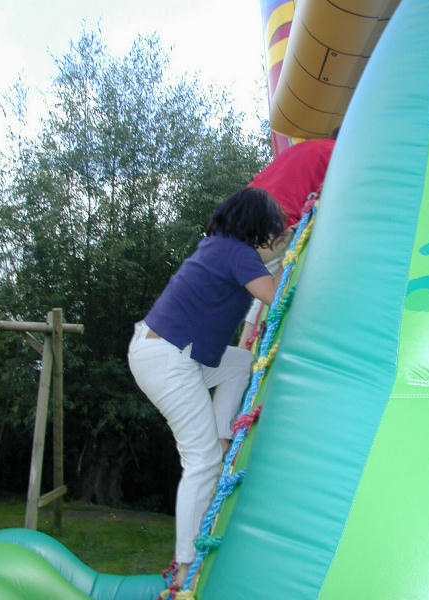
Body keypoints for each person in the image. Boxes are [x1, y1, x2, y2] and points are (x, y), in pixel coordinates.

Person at [127, 187, 285, 588]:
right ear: (258, 226)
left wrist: (281, 254)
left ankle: (220, 435)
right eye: (273, 229)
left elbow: (265, 271)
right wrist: (289, 259)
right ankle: (185, 567)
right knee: (201, 462)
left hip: (168, 352)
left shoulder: (219, 247)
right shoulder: (237, 253)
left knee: (240, 363)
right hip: (169, 358)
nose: (274, 236)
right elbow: (275, 295)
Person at [238, 136, 336, 349]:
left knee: (262, 285)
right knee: (277, 290)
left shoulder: (306, 148)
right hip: (273, 223)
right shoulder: (339, 153)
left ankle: (244, 346)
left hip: (242, 215)